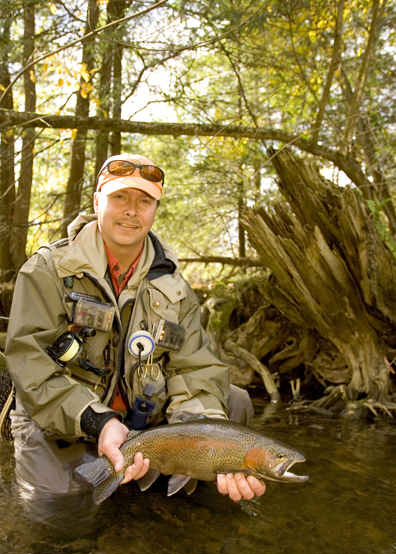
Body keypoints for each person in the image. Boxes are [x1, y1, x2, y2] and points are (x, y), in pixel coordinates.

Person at [5, 153, 266, 506]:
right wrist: (98, 423)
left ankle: (179, 472)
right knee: (60, 516)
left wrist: (208, 441)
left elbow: (195, 369)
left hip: (142, 418)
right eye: (120, 197)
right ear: (98, 201)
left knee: (234, 403)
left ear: (155, 210)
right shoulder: (47, 270)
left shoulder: (174, 286)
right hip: (66, 420)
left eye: (144, 201)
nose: (132, 210)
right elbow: (31, 366)